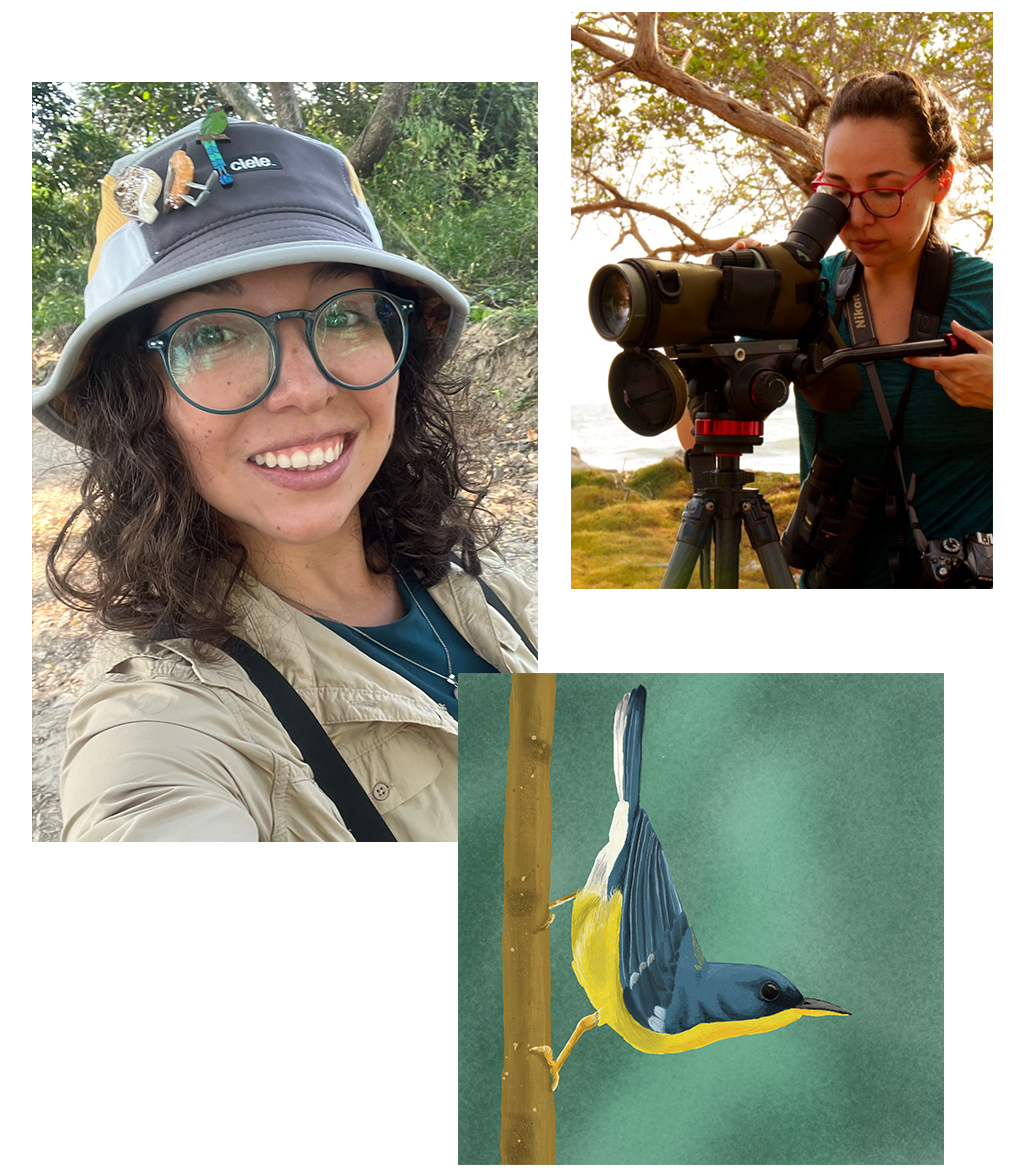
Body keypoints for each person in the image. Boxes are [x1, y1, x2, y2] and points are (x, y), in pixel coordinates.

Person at [33, 112, 537, 842]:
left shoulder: (486, 596)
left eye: (343, 316)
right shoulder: (161, 729)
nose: (302, 388)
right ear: (134, 401)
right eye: (212, 333)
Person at [677, 69, 992, 588]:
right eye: (838, 190)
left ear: (941, 179)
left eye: (885, 191)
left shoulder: (996, 297)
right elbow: (696, 436)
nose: (859, 216)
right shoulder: (802, 292)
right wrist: (716, 325)